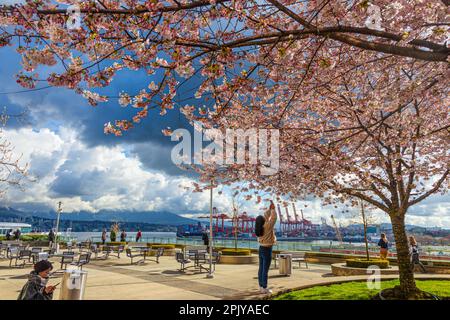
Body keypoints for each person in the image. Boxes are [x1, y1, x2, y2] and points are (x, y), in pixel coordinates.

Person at [257, 201, 277, 294]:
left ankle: (261, 286)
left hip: (261, 248)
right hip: (267, 249)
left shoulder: (259, 228)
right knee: (265, 270)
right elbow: (274, 218)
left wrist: (269, 209)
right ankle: (264, 288)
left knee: (261, 268)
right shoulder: (268, 226)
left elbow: (266, 216)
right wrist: (273, 209)